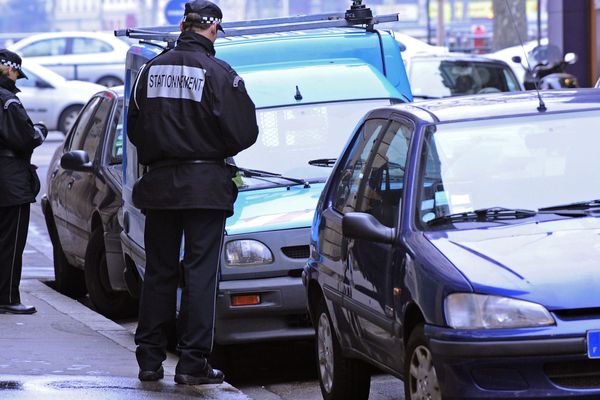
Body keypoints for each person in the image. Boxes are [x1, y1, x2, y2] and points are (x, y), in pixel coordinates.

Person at [127, 0, 258, 385]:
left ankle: (149, 359)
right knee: (200, 274)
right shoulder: (219, 73)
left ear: (184, 24)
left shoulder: (149, 71)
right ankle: (192, 363)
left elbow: (135, 129)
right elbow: (244, 133)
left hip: (161, 185)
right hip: (205, 188)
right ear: (213, 29)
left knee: (159, 272)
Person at [0, 49, 48, 314]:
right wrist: (40, 131)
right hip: (10, 180)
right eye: (17, 73)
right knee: (11, 241)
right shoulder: (9, 102)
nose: (17, 78)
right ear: (10, 70)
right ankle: (8, 297)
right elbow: (26, 138)